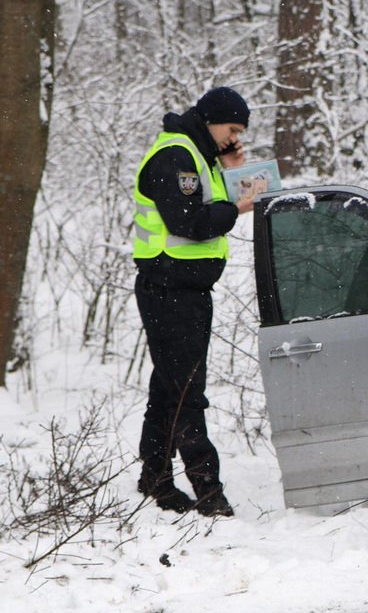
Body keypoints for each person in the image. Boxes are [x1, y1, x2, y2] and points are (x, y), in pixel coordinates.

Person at [132, 87, 256, 516]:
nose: (233, 137)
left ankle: (155, 479)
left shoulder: (199, 158)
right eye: (232, 129)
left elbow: (206, 205)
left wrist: (230, 170)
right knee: (187, 392)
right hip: (169, 291)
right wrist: (238, 207)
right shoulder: (176, 156)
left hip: (183, 290)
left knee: (169, 387)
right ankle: (208, 491)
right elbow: (188, 221)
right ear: (211, 119)